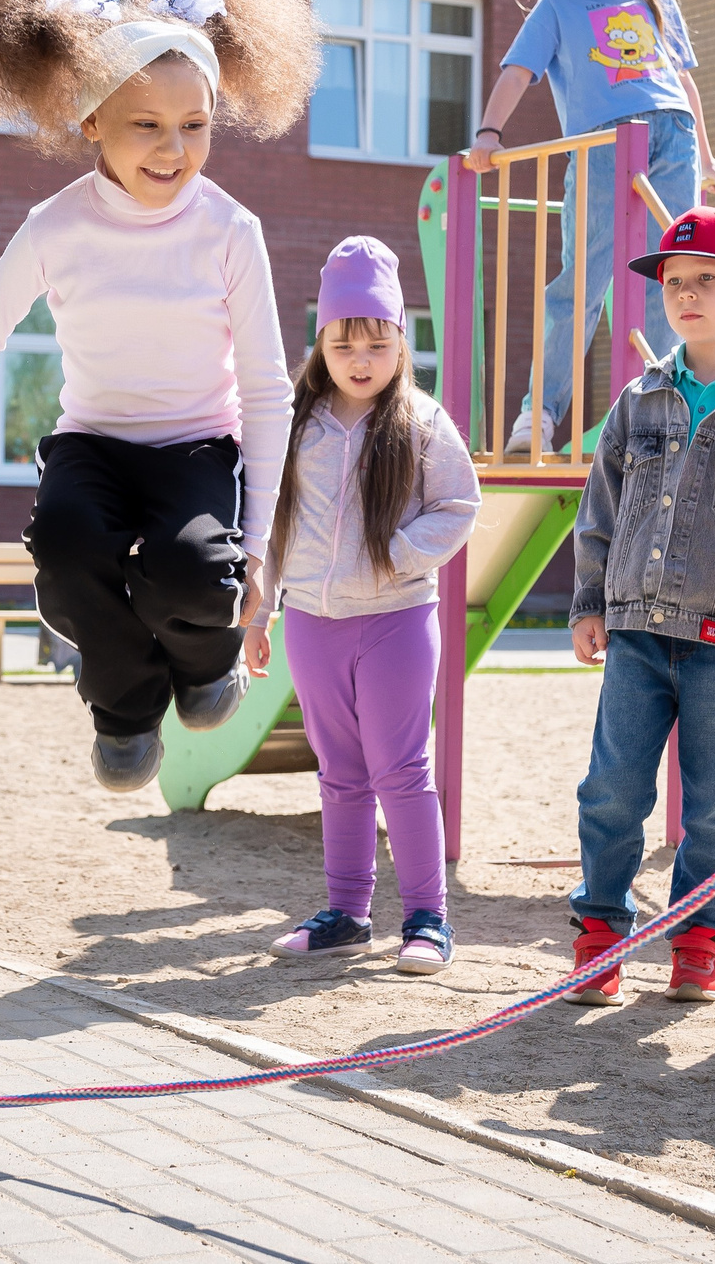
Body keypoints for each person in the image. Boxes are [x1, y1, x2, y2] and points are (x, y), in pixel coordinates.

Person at [0, 0, 314, 793]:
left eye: (194, 126)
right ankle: (124, 707)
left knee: (191, 571)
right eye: (146, 125)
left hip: (197, 448)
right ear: (92, 121)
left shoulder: (231, 230)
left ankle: (205, 660)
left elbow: (267, 391)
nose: (172, 149)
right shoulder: (57, 226)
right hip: (94, 448)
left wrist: (258, 551)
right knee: (68, 549)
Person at [562, 207, 715, 1005]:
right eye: (674, 282)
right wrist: (588, 600)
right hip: (634, 631)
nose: (687, 294)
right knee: (612, 788)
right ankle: (600, 933)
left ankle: (699, 940)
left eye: (707, 279)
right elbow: (599, 507)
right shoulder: (639, 398)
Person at [264, 238, 480, 972]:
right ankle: (347, 914)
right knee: (339, 771)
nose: (361, 359)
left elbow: (460, 505)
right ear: (320, 344)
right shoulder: (294, 424)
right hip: (312, 622)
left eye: (377, 343)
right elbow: (271, 521)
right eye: (343, 344)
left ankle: (427, 919)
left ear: (400, 341)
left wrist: (402, 551)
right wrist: (259, 613)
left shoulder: (421, 421)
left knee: (401, 769)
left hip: (396, 620)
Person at [461, 0, 715, 455]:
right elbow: (517, 72)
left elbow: (684, 83)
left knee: (670, 273)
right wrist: (488, 133)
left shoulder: (656, 0)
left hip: (673, 135)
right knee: (582, 277)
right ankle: (538, 414)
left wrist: (706, 158)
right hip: (604, 143)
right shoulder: (558, 7)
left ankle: (665, 408)